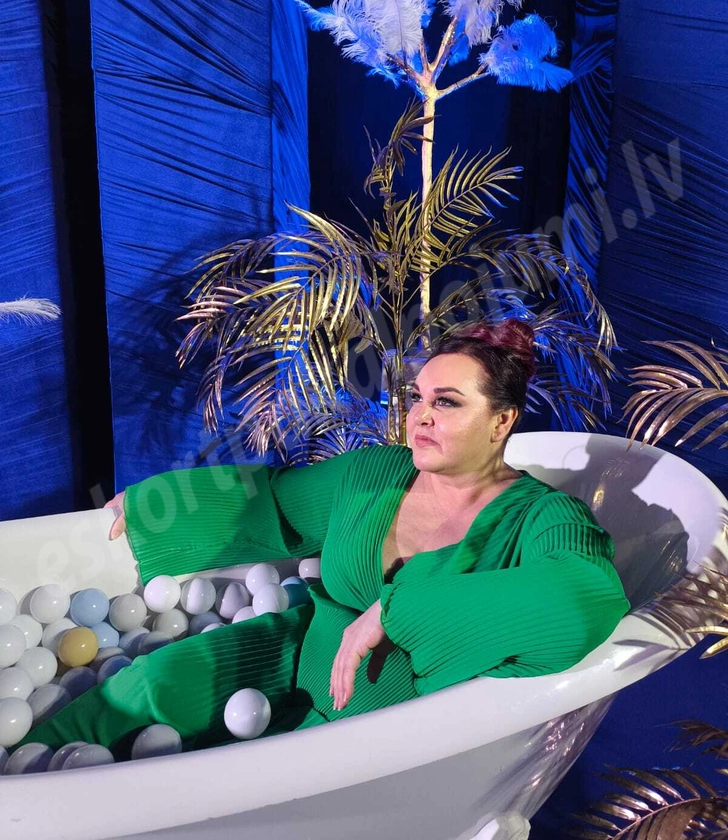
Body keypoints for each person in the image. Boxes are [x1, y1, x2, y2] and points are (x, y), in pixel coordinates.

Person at [16, 319, 630, 756]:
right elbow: (274, 503)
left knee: (241, 795)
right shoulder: (377, 472)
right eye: (417, 398)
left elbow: (585, 597)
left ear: (501, 421)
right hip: (295, 653)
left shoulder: (545, 517)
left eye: (446, 403)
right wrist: (152, 508)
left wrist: (396, 611)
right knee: (147, 685)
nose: (420, 415)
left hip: (381, 732)